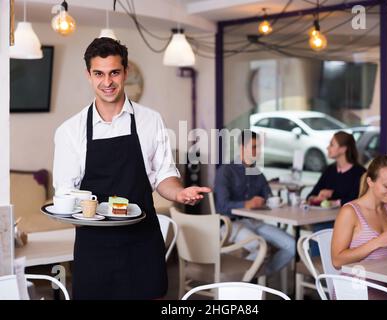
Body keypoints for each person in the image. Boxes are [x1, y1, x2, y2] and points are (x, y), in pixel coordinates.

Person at [53, 37, 210, 299]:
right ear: (88, 75)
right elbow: (66, 194)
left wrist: (180, 193)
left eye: (114, 72)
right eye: (99, 74)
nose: (107, 82)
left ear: (126, 72)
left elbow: (163, 174)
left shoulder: (151, 120)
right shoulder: (70, 131)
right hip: (95, 246)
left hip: (142, 241)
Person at [331, 155, 387, 299]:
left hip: (385, 281)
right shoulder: (350, 212)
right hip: (354, 286)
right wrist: (375, 243)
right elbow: (337, 261)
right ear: (370, 181)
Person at [214, 130, 295, 276]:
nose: (258, 151)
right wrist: (246, 204)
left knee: (292, 245)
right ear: (241, 148)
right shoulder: (226, 171)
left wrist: (276, 201)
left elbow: (269, 197)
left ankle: (258, 275)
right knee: (260, 248)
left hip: (256, 222)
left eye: (259, 147)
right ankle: (238, 284)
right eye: (254, 147)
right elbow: (221, 205)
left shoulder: (258, 173)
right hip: (231, 225)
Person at [306, 131, 366, 255]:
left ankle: (321, 270)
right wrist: (317, 197)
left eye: (332, 144)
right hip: (324, 218)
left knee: (319, 232)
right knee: (316, 232)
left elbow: (358, 200)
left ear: (343, 149)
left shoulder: (360, 173)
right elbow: (310, 196)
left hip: (349, 222)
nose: (328, 147)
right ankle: (317, 269)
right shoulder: (329, 170)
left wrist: (333, 197)